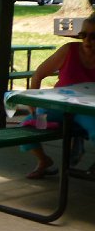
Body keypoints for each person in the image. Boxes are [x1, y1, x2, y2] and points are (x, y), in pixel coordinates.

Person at [21, 12, 95, 179]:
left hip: (87, 111)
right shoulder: (69, 51)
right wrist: (32, 103)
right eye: (83, 35)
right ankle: (43, 160)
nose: (87, 41)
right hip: (58, 108)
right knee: (28, 128)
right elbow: (38, 75)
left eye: (93, 37)